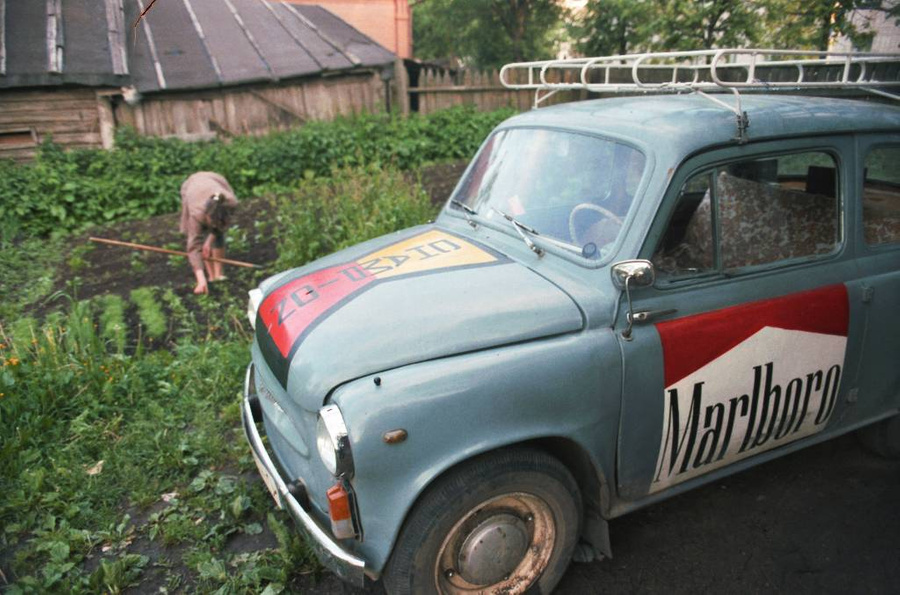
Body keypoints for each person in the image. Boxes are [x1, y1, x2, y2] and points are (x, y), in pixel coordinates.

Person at [179, 171, 239, 294]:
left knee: (218, 234)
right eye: (211, 222)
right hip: (192, 186)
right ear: (206, 215)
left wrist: (210, 240)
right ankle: (210, 277)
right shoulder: (197, 213)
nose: (213, 225)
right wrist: (200, 279)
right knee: (201, 238)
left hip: (215, 180)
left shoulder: (230, 203)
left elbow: (222, 225)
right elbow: (194, 247)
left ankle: (218, 274)